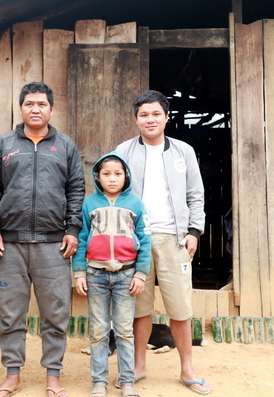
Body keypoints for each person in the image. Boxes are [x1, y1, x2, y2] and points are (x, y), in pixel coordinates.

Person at [0, 81, 86, 397]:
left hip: (53, 245)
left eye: (41, 104)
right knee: (11, 312)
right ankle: (12, 374)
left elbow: (76, 190)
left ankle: (53, 375)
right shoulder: (4, 144)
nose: (35, 109)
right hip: (8, 245)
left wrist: (72, 229)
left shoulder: (65, 146)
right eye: (29, 104)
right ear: (21, 107)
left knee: (55, 312)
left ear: (51, 109)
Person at [115, 90, 213, 395]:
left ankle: (187, 370)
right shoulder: (124, 150)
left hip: (174, 240)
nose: (150, 119)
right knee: (139, 308)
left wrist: (194, 231)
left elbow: (196, 194)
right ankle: (139, 366)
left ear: (166, 117)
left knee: (180, 308)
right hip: (136, 240)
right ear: (135, 119)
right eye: (143, 114)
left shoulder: (183, 151)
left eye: (156, 113)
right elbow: (113, 189)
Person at [72, 152, 151, 397]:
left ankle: (127, 381)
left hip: (126, 276)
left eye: (118, 174)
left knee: (125, 330)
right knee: (98, 330)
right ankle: (99, 382)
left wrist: (140, 274)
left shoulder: (136, 204)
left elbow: (146, 241)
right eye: (106, 174)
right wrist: (79, 273)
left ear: (126, 176)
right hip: (95, 274)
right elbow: (82, 239)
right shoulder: (89, 204)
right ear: (97, 176)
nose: (112, 179)